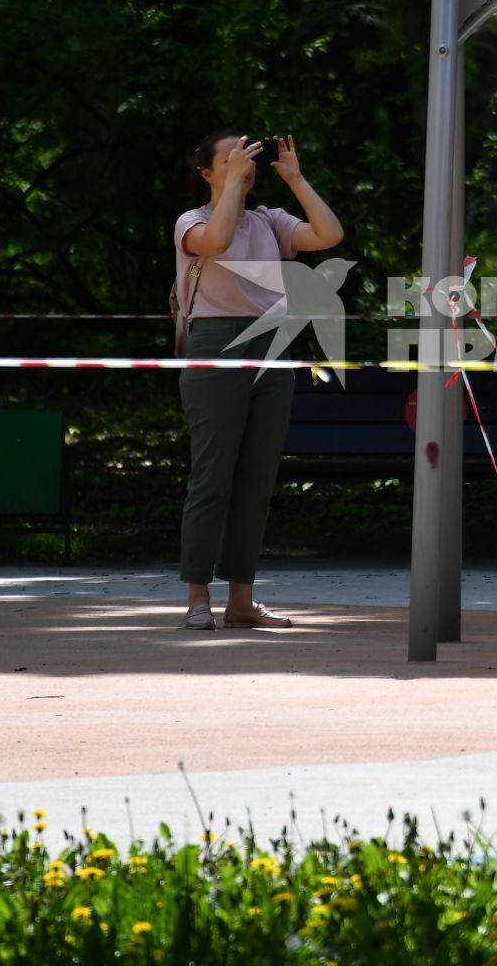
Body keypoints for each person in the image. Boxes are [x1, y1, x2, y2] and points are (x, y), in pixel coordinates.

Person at [173, 130, 344, 631]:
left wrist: (294, 179)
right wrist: (232, 188)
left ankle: (242, 600)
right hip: (214, 342)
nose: (244, 166)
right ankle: (198, 597)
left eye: (249, 158)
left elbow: (329, 235)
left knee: (257, 479)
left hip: (272, 346)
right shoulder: (194, 221)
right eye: (231, 160)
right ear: (207, 174)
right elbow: (218, 241)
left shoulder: (270, 220)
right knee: (211, 476)